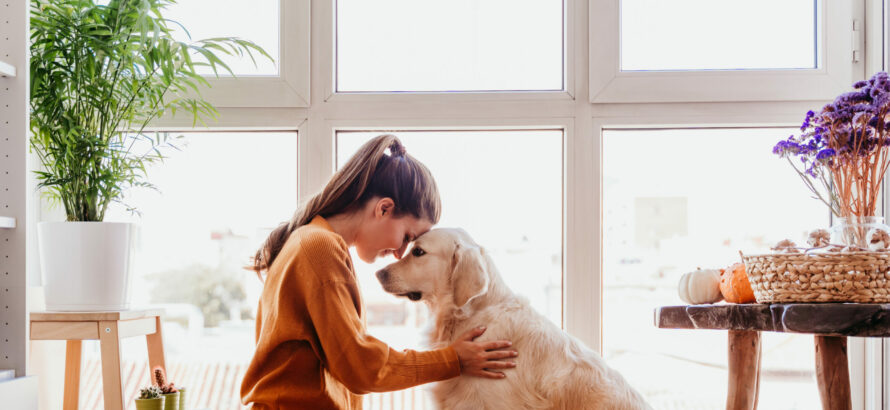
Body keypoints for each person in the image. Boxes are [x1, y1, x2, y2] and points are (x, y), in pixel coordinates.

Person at [240, 134, 518, 409]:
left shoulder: (313, 241)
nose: (399, 253)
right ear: (384, 209)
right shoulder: (319, 248)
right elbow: (361, 367)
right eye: (408, 237)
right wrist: (453, 360)